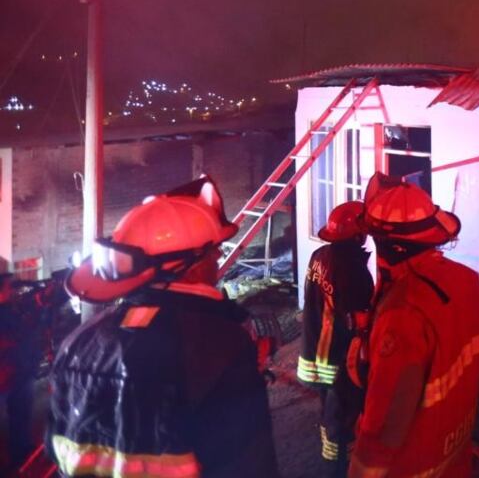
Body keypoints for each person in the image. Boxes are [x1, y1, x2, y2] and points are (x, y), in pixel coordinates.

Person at [47, 176, 279, 478]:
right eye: (212, 252)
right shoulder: (219, 344)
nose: (219, 257)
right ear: (187, 265)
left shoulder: (79, 341)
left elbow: (58, 447)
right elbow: (246, 463)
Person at [348, 173, 479, 478]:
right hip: (455, 458)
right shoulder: (466, 280)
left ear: (390, 246)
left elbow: (386, 425)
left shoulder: (403, 315)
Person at [299, 200, 374, 476]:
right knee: (343, 422)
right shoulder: (354, 271)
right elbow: (360, 323)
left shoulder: (319, 256)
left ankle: (332, 462)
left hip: (314, 356)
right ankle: (340, 469)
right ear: (358, 234)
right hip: (341, 361)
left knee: (329, 415)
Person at [0, 269, 38, 471]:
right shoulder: (7, 312)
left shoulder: (12, 309)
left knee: (21, 417)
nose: (13, 290)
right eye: (9, 285)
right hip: (8, 374)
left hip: (20, 373)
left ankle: (21, 453)